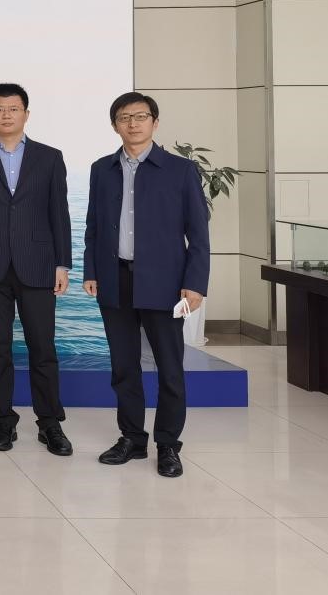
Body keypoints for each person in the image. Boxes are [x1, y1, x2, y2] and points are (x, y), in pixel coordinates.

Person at [84, 91, 209, 478]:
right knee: (123, 366)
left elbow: (198, 234)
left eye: (140, 116)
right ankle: (132, 439)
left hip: (165, 283)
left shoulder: (180, 170)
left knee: (169, 368)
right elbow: (93, 227)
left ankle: (168, 445)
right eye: (124, 117)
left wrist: (195, 284)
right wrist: (91, 271)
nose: (133, 123)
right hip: (115, 279)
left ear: (155, 122)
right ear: (115, 125)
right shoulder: (102, 169)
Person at [0, 82, 74, 455]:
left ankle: (50, 423)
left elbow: (59, 212)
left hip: (38, 265)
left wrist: (62, 263)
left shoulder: (50, 157)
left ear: (26, 113)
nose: (6, 115)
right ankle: (3, 422)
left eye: (13, 108)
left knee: (43, 348)